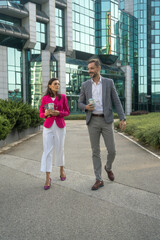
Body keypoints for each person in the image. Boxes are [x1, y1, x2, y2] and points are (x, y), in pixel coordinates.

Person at [78, 59, 126, 190]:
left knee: (112, 150)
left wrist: (122, 118)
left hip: (106, 121)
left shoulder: (109, 83)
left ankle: (108, 167)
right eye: (88, 69)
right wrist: (86, 107)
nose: (89, 71)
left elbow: (116, 101)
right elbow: (79, 102)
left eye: (92, 68)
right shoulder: (85, 85)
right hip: (92, 121)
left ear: (98, 68)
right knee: (95, 151)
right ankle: (98, 179)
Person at [39, 78, 70, 190]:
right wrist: (46, 114)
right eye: (55, 84)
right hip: (48, 127)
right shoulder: (45, 98)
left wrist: (59, 113)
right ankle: (48, 177)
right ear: (50, 86)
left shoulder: (63, 97)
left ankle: (61, 169)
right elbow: (41, 114)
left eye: (58, 84)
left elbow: (67, 112)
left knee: (60, 149)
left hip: (60, 126)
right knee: (47, 151)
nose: (57, 85)